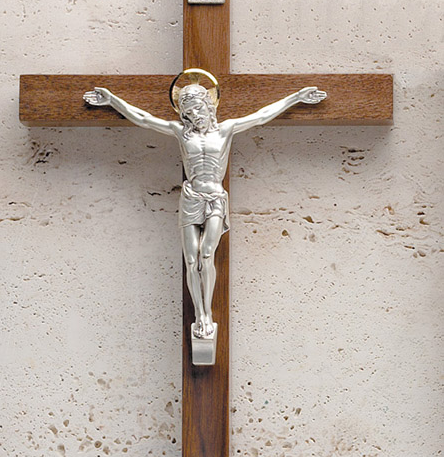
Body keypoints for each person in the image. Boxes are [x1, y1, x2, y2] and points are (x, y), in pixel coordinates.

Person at [83, 78, 326, 339]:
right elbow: (144, 119)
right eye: (188, 112)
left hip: (215, 198)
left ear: (209, 106)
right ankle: (200, 314)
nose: (193, 115)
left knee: (207, 253)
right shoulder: (181, 132)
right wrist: (112, 101)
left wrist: (296, 97)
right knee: (191, 259)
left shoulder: (226, 129)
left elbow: (261, 116)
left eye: (197, 108)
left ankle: (208, 312)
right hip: (191, 197)